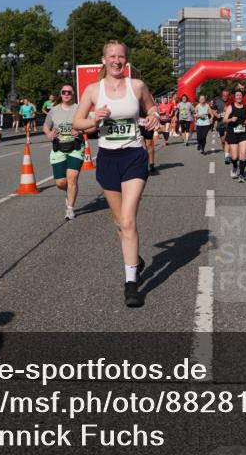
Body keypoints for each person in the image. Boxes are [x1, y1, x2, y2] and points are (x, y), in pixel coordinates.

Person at [74, 40, 160, 308]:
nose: (116, 61)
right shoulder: (92, 90)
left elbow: (151, 106)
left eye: (121, 57)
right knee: (119, 223)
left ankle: (131, 284)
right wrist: (94, 119)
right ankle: (135, 258)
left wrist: (155, 116)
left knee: (128, 221)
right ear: (103, 59)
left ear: (126, 60)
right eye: (112, 56)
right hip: (108, 159)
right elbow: (77, 123)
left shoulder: (136, 86)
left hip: (134, 156)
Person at [44, 84, 94, 220]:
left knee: (72, 177)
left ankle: (70, 209)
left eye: (69, 92)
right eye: (64, 92)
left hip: (76, 147)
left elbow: (92, 126)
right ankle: (69, 192)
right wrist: (49, 134)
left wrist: (81, 130)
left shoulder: (80, 109)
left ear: (73, 94)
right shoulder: (53, 110)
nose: (66, 94)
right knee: (61, 183)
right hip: (58, 147)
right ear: (61, 94)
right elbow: (46, 126)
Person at [223, 89, 246, 182]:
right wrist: (231, 119)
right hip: (232, 133)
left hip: (243, 132)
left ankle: (241, 175)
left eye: (240, 95)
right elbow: (224, 120)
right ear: (234, 97)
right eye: (237, 95)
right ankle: (235, 167)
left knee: (243, 154)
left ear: (242, 97)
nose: (239, 97)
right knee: (235, 157)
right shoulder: (230, 107)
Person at [211, 89, 230, 162]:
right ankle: (225, 150)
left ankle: (227, 154)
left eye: (227, 95)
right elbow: (213, 109)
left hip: (229, 123)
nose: (225, 97)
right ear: (222, 95)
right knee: (223, 140)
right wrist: (216, 115)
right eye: (224, 95)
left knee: (228, 138)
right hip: (221, 123)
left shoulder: (231, 100)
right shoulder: (217, 100)